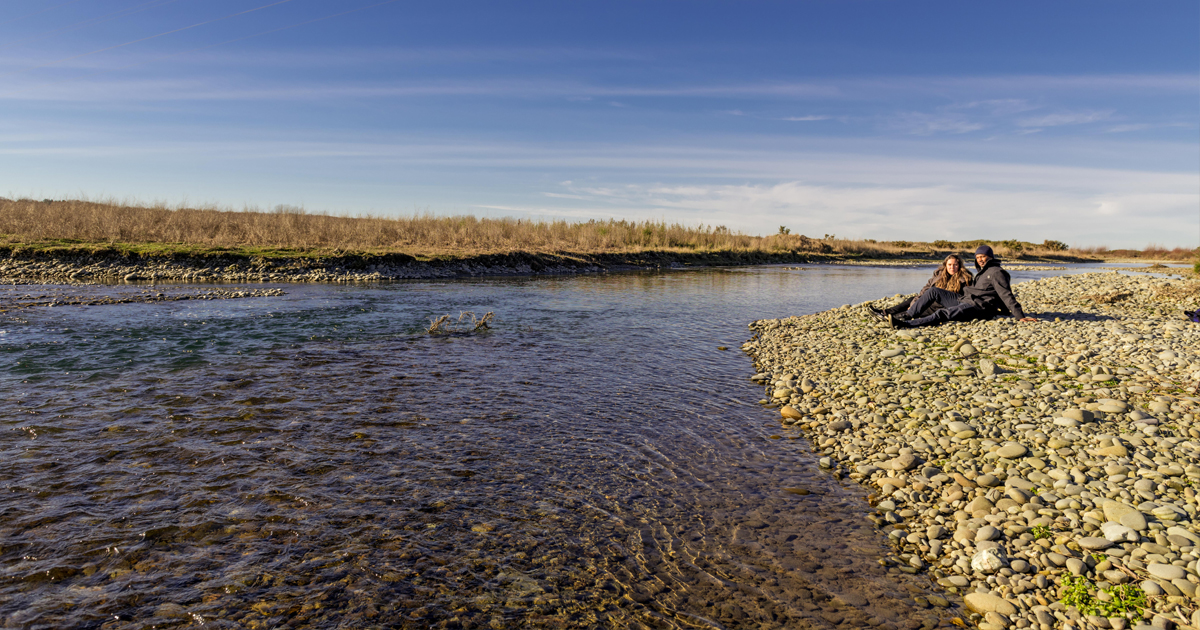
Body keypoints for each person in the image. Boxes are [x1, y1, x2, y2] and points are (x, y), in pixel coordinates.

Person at [889, 245, 1037, 328]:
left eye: (983, 257)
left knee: (943, 314)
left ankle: (907, 324)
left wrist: (1019, 316)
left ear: (990, 257)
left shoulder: (997, 272)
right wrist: (1004, 312)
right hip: (965, 300)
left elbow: (1005, 294)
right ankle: (904, 315)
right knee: (934, 291)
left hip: (978, 307)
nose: (980, 260)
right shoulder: (982, 272)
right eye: (978, 257)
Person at [868, 254, 973, 322]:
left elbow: (966, 298)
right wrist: (915, 302)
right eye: (950, 265)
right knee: (912, 299)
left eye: (955, 265)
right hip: (932, 301)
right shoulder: (938, 275)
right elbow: (925, 289)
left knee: (923, 308)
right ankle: (885, 312)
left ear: (959, 266)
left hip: (944, 306)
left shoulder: (965, 278)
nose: (952, 267)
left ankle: (893, 319)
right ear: (945, 265)